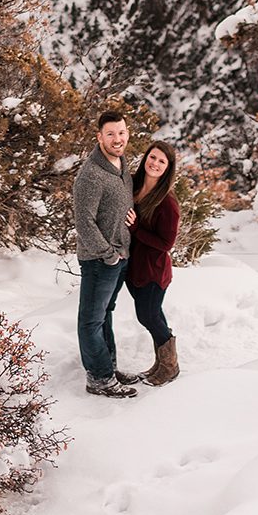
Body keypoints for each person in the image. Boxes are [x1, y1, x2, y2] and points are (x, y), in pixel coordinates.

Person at [72, 107, 140, 398]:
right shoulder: (91, 175)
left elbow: (118, 206)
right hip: (100, 260)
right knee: (90, 320)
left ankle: (107, 368)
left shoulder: (122, 165)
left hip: (119, 256)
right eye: (110, 134)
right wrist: (107, 253)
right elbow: (83, 222)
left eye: (121, 132)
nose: (117, 139)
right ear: (99, 136)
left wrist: (131, 218)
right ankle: (98, 378)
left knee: (105, 314)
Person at [126, 139, 181, 385]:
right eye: (152, 157)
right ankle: (161, 364)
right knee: (152, 314)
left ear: (168, 168)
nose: (155, 163)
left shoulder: (167, 202)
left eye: (162, 161)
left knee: (147, 316)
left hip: (153, 270)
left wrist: (137, 229)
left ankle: (170, 366)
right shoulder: (133, 185)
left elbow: (166, 244)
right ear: (145, 157)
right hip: (134, 267)